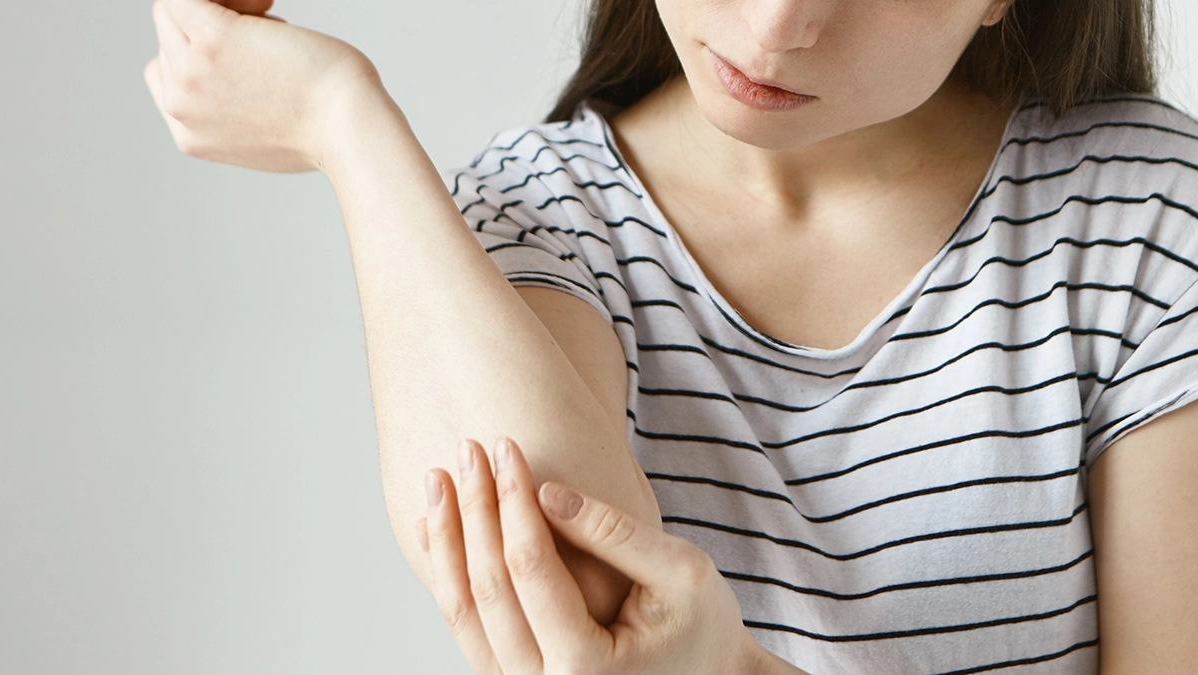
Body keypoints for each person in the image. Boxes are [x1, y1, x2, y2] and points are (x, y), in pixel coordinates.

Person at [144, 0, 1198, 672]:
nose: (780, 23)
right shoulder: (538, 216)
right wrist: (348, 123)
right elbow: (581, 592)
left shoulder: (1148, 211)